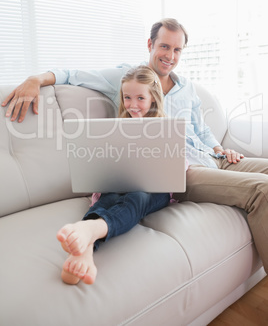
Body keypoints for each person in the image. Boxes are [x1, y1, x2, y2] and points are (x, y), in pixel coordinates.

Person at [2, 18, 268, 276]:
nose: (170, 55)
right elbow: (73, 75)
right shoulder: (127, 77)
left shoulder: (186, 87)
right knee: (262, 191)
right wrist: (35, 80)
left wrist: (221, 149)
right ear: (150, 44)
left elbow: (202, 130)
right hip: (181, 168)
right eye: (164, 46)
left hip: (212, 157)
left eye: (177, 49)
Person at [57, 65, 177, 285]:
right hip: (117, 185)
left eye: (140, 98)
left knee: (137, 196)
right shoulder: (118, 127)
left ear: (153, 98)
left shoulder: (165, 127)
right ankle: (83, 252)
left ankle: (91, 228)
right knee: (109, 198)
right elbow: (103, 167)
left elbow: (178, 166)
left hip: (154, 190)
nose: (132, 104)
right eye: (127, 97)